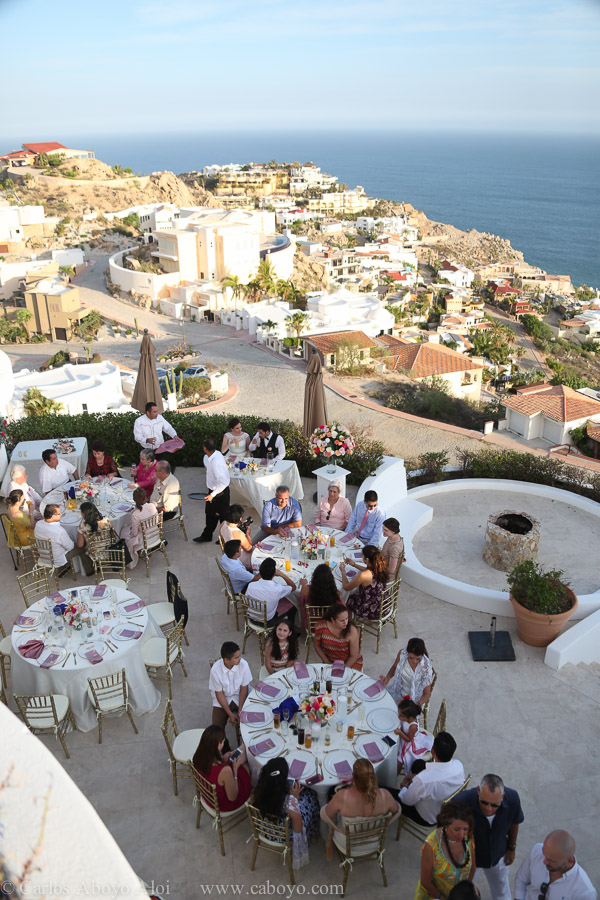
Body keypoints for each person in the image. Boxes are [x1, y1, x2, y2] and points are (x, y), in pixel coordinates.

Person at [454, 774, 524, 900]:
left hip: (498, 855)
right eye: (484, 802)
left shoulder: (513, 799)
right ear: (478, 791)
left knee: (502, 891)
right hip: (470, 861)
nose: (489, 808)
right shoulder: (461, 804)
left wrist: (512, 848)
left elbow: (515, 822)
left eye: (494, 805)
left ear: (503, 796)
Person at [320, 759, 399, 861]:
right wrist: (384, 823)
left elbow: (326, 814)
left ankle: (330, 840)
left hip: (348, 844)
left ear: (353, 776)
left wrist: (335, 825)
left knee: (333, 810)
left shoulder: (342, 796)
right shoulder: (385, 796)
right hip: (374, 841)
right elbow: (396, 810)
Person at [252, 757, 320, 870]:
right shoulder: (288, 802)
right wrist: (295, 799)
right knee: (310, 796)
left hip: (263, 828)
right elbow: (298, 828)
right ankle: (313, 833)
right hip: (282, 835)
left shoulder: (259, 789)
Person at [397, 732, 465, 827]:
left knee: (388, 791)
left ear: (433, 752)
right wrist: (415, 777)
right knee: (418, 764)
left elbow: (406, 800)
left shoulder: (423, 780)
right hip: (444, 809)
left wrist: (404, 788)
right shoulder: (459, 765)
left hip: (426, 818)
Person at [416, 801, 476, 900]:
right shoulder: (431, 845)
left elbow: (473, 867)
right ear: (446, 825)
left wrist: (465, 893)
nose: (461, 835)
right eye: (456, 829)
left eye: (465, 829)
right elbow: (425, 881)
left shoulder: (469, 837)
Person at [514, 830, 597, 900]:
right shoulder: (536, 851)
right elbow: (521, 880)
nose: (544, 861)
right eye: (544, 854)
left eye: (551, 860)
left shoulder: (585, 892)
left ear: (570, 861)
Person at [192, 725, 252, 812]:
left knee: (242, 749)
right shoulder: (225, 770)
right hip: (225, 804)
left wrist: (222, 759)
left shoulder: (197, 757)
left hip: (210, 796)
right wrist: (234, 771)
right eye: (223, 741)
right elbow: (232, 797)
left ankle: (245, 746)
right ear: (218, 745)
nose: (224, 743)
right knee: (246, 766)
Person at [34, 503, 93, 575]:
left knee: (63, 544)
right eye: (59, 514)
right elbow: (70, 547)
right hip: (57, 559)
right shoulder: (59, 531)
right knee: (81, 546)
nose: (61, 514)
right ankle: (89, 571)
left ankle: (64, 569)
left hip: (43, 556)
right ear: (53, 516)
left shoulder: (38, 524)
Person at [193, 438, 230, 543]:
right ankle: (207, 536)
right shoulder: (215, 454)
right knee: (210, 514)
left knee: (223, 516)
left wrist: (212, 495)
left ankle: (224, 538)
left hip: (220, 493)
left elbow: (222, 482)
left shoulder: (216, 462)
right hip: (213, 491)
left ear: (205, 448)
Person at [209, 641, 252, 730]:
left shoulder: (244, 665)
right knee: (216, 729)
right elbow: (219, 694)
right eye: (236, 657)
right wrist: (230, 714)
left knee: (253, 718)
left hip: (240, 695)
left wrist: (240, 710)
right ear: (226, 660)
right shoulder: (215, 670)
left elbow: (244, 688)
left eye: (240, 656)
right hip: (223, 699)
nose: (240, 659)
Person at [381, 637, 434, 706]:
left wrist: (415, 704)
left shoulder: (425, 668)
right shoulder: (402, 654)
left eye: (418, 659)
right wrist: (387, 677)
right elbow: (394, 667)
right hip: (398, 691)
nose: (414, 662)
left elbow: (426, 694)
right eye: (411, 658)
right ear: (407, 653)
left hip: (415, 701)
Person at [245, 557, 297, 626]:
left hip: (251, 617)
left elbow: (246, 601)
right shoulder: (277, 589)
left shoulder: (251, 585)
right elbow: (293, 587)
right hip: (268, 621)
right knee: (294, 606)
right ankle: (289, 630)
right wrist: (282, 574)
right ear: (274, 574)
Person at [341, 544, 388, 620]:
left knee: (346, 599)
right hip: (383, 604)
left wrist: (343, 571)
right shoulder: (379, 566)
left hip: (371, 610)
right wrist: (354, 564)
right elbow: (367, 570)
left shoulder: (363, 575)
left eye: (362, 556)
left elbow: (346, 587)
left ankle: (349, 624)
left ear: (367, 559)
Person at [314, 603, 363, 670]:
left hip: (349, 662)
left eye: (347, 618)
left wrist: (344, 668)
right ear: (333, 620)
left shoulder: (351, 631)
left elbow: (354, 655)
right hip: (330, 661)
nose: (346, 622)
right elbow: (317, 645)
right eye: (342, 620)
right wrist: (327, 662)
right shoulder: (321, 626)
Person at [133, 401, 178, 470]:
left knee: (163, 469)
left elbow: (168, 428)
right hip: (147, 451)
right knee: (147, 470)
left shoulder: (160, 418)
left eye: (157, 411)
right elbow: (137, 436)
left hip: (160, 448)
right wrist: (146, 440)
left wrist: (174, 435)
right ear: (148, 412)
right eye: (154, 412)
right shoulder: (139, 421)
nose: (156, 414)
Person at [298, 562, 343, 631]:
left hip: (313, 625)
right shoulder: (335, 593)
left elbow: (300, 600)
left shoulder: (307, 590)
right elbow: (342, 608)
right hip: (330, 626)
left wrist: (304, 584)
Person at [122, 487, 158, 569]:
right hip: (155, 534)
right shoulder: (152, 506)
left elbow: (134, 533)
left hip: (145, 540)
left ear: (135, 500)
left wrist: (130, 532)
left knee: (124, 533)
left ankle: (127, 557)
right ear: (145, 497)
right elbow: (156, 521)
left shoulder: (136, 514)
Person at [395, 699, 434, 775]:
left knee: (400, 758)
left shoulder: (412, 726)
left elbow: (409, 739)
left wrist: (400, 733)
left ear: (409, 717)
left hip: (409, 742)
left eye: (401, 716)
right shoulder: (408, 717)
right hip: (404, 735)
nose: (398, 716)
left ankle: (395, 774)